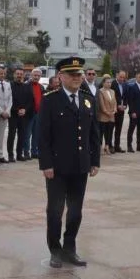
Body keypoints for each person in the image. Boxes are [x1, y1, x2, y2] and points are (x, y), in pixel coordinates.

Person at [39, 56, 100, 268]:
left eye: (79, 74)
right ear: (60, 76)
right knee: (55, 211)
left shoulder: (87, 99)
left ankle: (70, 248)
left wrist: (95, 160)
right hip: (57, 167)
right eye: (72, 74)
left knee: (75, 211)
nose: (77, 77)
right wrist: (45, 164)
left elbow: (94, 133)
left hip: (80, 166)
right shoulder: (50, 100)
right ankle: (55, 250)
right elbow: (43, 136)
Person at [7, 67, 33, 162]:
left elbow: (30, 100)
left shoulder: (27, 86)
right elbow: (8, 99)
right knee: (12, 135)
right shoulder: (9, 85)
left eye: (21, 74)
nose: (19, 75)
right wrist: (17, 109)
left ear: (23, 75)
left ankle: (19, 154)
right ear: (14, 74)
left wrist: (25, 109)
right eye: (17, 74)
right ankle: (10, 155)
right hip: (13, 114)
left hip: (24, 115)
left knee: (22, 135)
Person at [125, 71, 140, 152]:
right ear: (136, 77)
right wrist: (132, 112)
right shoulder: (132, 87)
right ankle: (129, 146)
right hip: (134, 112)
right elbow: (130, 101)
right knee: (131, 129)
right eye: (139, 77)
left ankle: (139, 146)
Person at [97, 75, 116, 154]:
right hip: (103, 115)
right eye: (107, 82)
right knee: (101, 132)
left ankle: (107, 146)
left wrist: (114, 110)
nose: (109, 84)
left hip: (111, 115)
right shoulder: (100, 91)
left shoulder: (112, 91)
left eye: (110, 82)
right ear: (103, 83)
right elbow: (101, 104)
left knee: (109, 132)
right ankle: (100, 147)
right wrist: (107, 112)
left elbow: (115, 102)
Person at [111, 71, 127, 153]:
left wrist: (125, 105)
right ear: (117, 75)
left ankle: (117, 146)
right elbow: (111, 97)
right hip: (113, 111)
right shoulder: (112, 84)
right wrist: (117, 105)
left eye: (123, 77)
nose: (122, 79)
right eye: (120, 77)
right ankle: (110, 146)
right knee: (111, 129)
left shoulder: (124, 84)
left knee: (119, 129)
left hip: (121, 111)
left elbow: (125, 96)